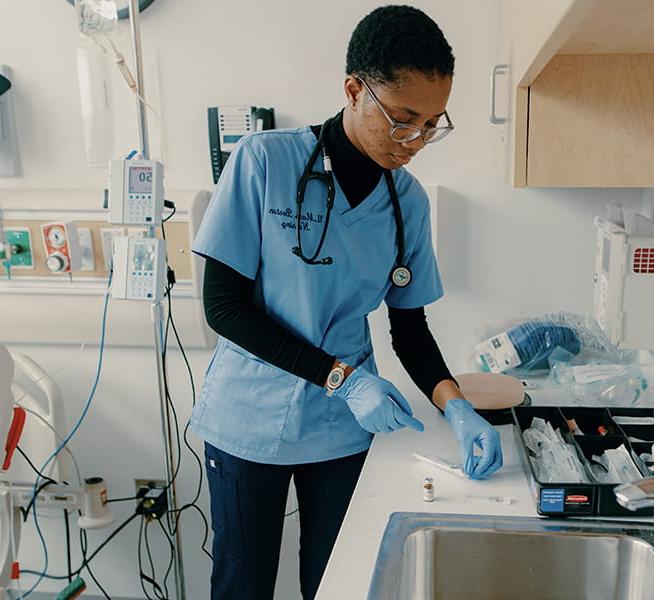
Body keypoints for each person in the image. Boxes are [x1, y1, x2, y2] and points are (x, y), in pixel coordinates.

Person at [189, 5, 503, 599]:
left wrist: (457, 407)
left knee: (338, 583)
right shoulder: (264, 162)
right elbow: (224, 307)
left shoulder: (406, 201)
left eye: (433, 123)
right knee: (241, 584)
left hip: (341, 428)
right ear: (354, 90)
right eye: (403, 119)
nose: (416, 140)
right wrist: (342, 378)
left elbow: (409, 330)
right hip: (250, 416)